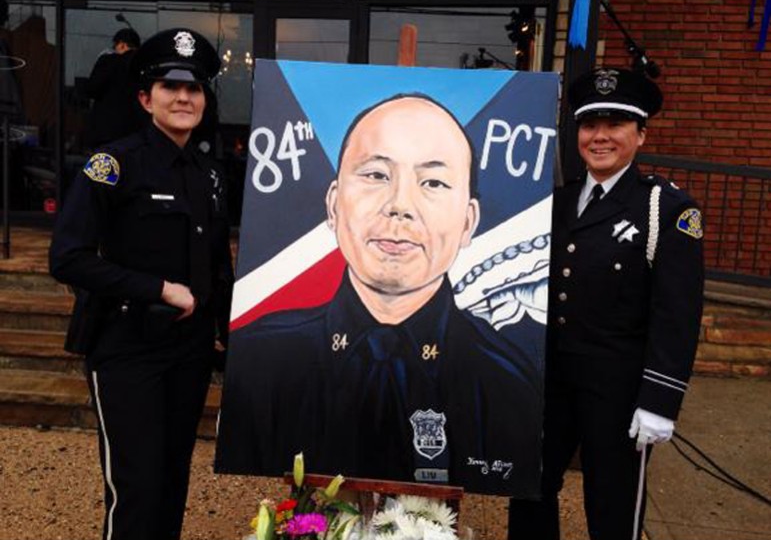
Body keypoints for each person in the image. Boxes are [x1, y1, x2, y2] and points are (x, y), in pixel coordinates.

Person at [214, 94, 541, 497]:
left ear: (468, 221)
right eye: (376, 175)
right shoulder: (262, 359)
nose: (399, 206)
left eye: (433, 182)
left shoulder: (506, 382)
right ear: (334, 205)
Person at [49, 28, 233, 540]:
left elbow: (219, 265)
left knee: (173, 482)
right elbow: (67, 258)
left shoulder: (210, 174)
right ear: (144, 97)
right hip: (127, 348)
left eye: (194, 88)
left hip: (190, 353)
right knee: (136, 488)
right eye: (169, 87)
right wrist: (158, 289)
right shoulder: (112, 166)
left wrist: (235, 337)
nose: (183, 97)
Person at [508, 68, 704, 539]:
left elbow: (677, 314)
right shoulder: (557, 201)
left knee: (612, 502)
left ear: (640, 134)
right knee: (530, 489)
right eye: (589, 125)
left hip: (618, 389)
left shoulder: (666, 209)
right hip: (550, 381)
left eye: (615, 125)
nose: (600, 137)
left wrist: (660, 399)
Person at [84, 28, 144, 149]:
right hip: (136, 133)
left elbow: (92, 89)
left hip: (107, 133)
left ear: (122, 45)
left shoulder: (108, 61)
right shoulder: (143, 65)